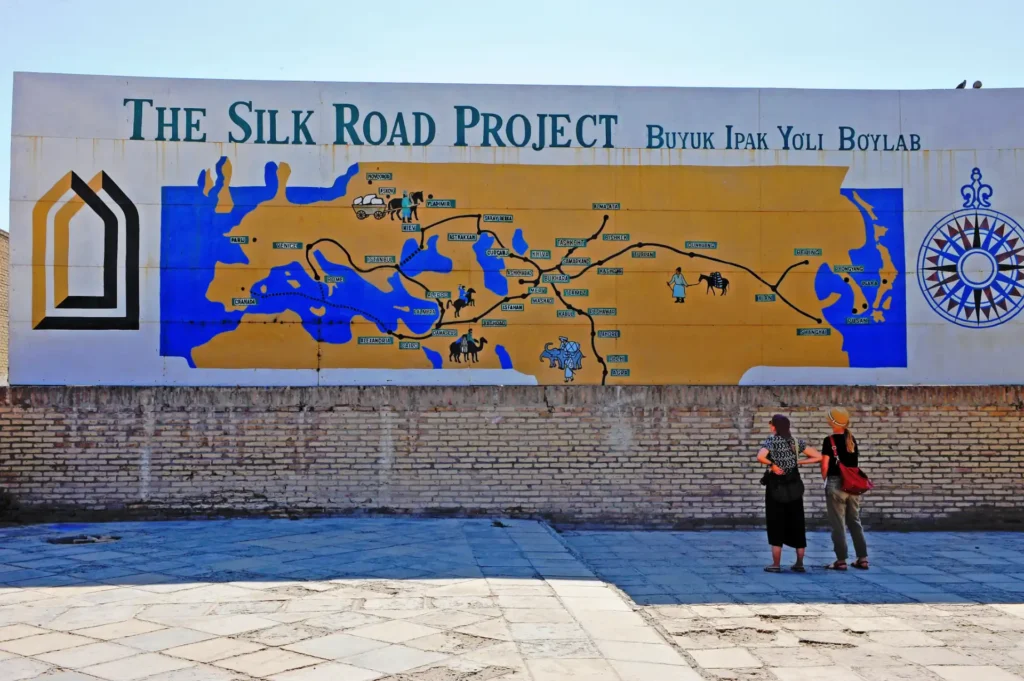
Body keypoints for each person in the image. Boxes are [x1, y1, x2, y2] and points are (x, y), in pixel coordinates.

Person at [757, 414, 822, 573]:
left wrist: (772, 465)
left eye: (771, 425)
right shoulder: (795, 442)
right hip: (794, 487)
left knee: (776, 523)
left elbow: (760, 456)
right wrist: (799, 462)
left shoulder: (771, 441)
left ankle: (776, 564)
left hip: (775, 488)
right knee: (797, 523)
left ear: (775, 427)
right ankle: (799, 563)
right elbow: (818, 457)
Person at [821, 408, 869, 571]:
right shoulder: (852, 439)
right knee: (855, 521)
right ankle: (862, 559)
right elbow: (853, 465)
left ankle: (841, 561)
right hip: (853, 485)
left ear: (833, 422)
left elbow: (825, 465)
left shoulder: (830, 440)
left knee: (838, 524)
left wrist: (826, 481)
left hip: (836, 484)